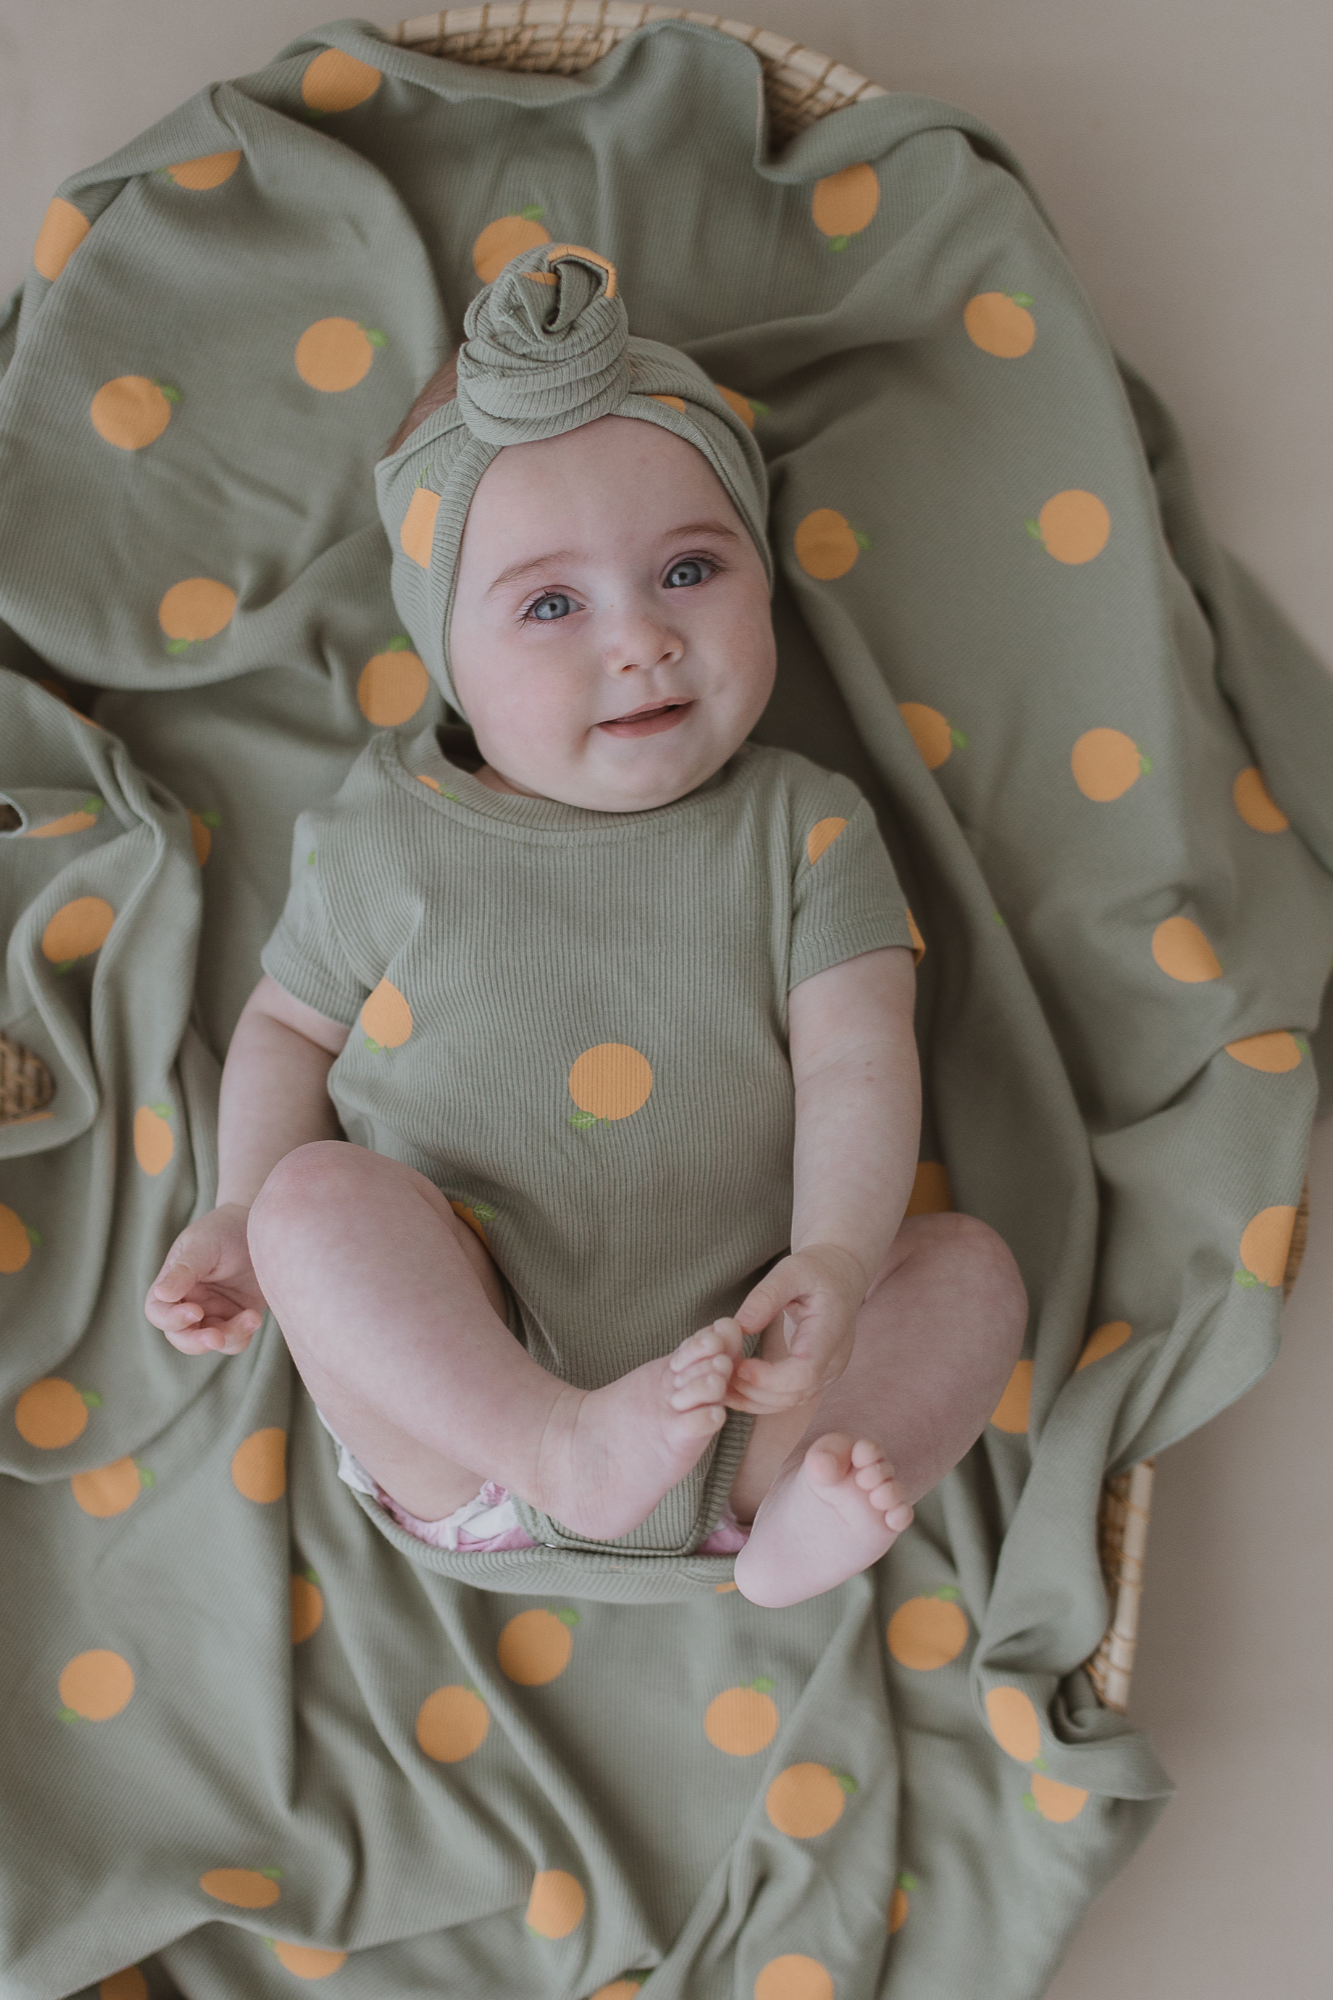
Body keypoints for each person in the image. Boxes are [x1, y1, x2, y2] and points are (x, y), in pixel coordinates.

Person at [144, 244, 1026, 1607]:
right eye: (553, 605)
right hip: (470, 1437)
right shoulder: (389, 828)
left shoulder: (808, 823)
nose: (640, 641)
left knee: (968, 1273)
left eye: (690, 570)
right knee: (317, 1207)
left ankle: (793, 1520)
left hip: (754, 1380)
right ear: (449, 654)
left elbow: (860, 1057)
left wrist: (839, 1262)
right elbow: (279, 1031)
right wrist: (237, 1205)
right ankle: (553, 1439)